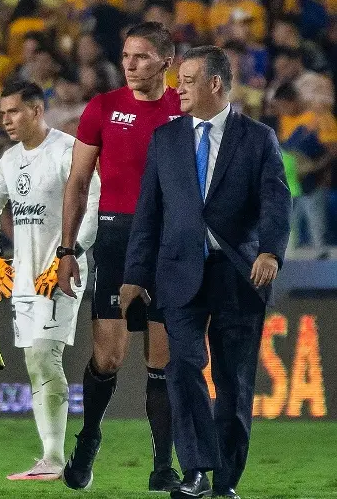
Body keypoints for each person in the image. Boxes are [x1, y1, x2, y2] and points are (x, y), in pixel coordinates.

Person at [121, 45, 290, 499]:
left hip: (239, 275)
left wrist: (271, 252)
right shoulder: (166, 139)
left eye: (188, 81)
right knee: (182, 368)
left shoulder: (257, 138)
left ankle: (226, 482)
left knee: (234, 382)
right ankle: (195, 469)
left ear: (215, 84)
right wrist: (134, 275)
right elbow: (148, 215)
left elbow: (277, 203)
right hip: (178, 273)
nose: (178, 89)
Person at [57, 22, 183, 492]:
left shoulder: (183, 111)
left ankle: (162, 465)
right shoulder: (104, 108)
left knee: (161, 360)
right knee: (107, 357)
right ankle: (89, 438)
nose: (130, 65)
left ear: (166, 62)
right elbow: (78, 182)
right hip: (117, 238)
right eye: (127, 56)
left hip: (170, 244)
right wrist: (68, 249)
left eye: (142, 57)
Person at [0, 80, 100, 480]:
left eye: (13, 111)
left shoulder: (68, 151)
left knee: (44, 356)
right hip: (25, 276)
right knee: (35, 362)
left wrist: (71, 255)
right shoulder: (11, 159)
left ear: (36, 110)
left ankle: (52, 458)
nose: (6, 121)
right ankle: (50, 456)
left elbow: (94, 206)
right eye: (2, 114)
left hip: (61, 271)